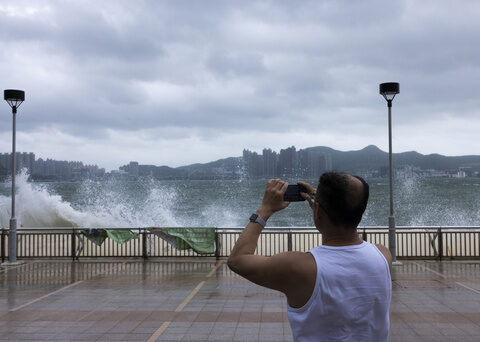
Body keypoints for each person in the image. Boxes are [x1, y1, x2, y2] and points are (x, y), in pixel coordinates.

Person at [227, 172, 392, 342]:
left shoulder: (299, 268)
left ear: (318, 209)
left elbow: (237, 260)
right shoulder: (383, 256)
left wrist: (264, 209)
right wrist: (322, 203)